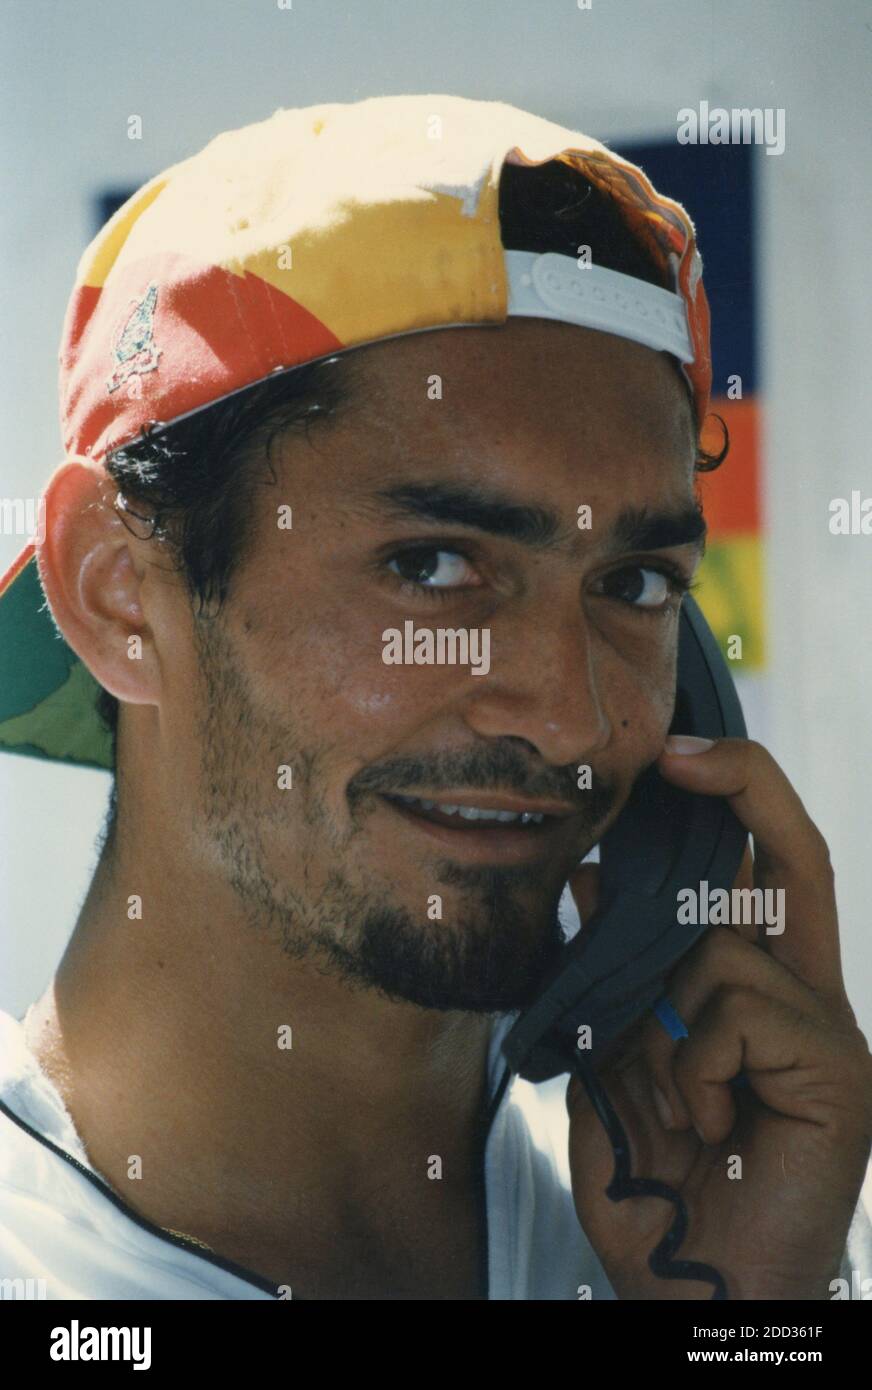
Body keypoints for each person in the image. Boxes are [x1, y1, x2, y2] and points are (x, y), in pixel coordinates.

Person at [0, 94, 870, 1301]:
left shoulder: (680, 1248)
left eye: (630, 582)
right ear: (116, 592)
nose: (568, 721)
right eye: (436, 563)